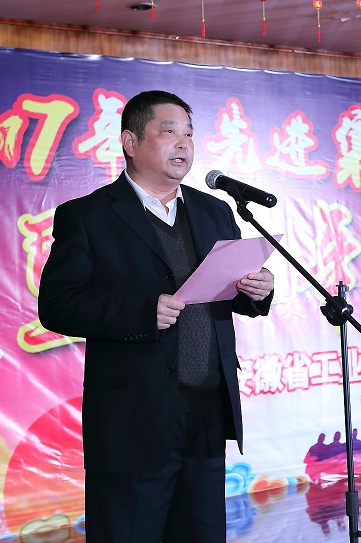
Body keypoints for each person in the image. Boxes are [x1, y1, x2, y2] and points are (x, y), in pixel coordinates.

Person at [38, 90, 275, 542]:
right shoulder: (88, 216)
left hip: (207, 413)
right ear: (130, 142)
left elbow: (228, 290)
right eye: (169, 132)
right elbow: (57, 305)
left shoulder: (214, 211)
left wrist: (256, 291)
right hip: (133, 419)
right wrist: (141, 312)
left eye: (189, 134)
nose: (183, 144)